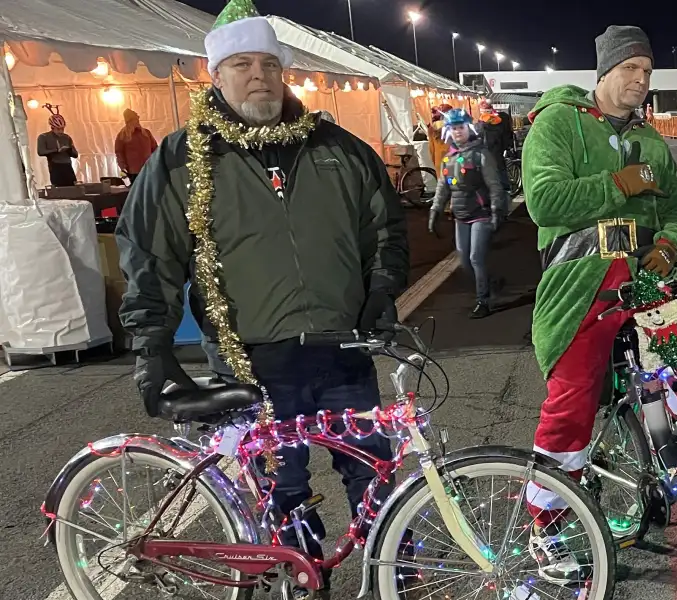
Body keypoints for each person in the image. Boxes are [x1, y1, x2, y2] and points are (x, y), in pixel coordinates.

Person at [115, 1, 408, 596]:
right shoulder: (182, 158)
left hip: (343, 348)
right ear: (215, 75)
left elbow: (385, 231)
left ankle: (395, 577)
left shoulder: (340, 148)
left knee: (376, 474)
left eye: (269, 64)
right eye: (242, 64)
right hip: (253, 357)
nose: (259, 77)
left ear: (284, 72)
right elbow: (150, 256)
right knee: (283, 489)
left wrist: (380, 293)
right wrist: (152, 346)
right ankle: (304, 583)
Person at [520, 24, 677, 550]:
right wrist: (620, 184)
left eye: (646, 71)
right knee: (569, 404)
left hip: (645, 283)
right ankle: (545, 527)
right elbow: (544, 202)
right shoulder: (557, 124)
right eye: (629, 70)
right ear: (604, 73)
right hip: (582, 286)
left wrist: (668, 248)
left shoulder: (651, 139)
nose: (639, 80)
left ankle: (675, 460)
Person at [428, 108, 509, 318]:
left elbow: (494, 184)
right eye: (453, 128)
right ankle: (491, 283)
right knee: (464, 260)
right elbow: (443, 186)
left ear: (469, 128)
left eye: (461, 127)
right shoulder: (449, 157)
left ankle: (483, 300)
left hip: (480, 213)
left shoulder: (481, 154)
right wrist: (435, 210)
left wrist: (496, 211)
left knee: (475, 258)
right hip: (460, 216)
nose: (457, 132)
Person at [476, 99, 515, 188]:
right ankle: (506, 190)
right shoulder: (499, 121)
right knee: (500, 171)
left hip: (487, 153)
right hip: (498, 152)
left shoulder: (481, 125)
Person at [114, 108, 158, 185]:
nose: (137, 122)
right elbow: (119, 153)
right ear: (129, 121)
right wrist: (123, 168)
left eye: (137, 119)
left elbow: (155, 149)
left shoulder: (146, 133)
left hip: (149, 169)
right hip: (134, 172)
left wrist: (156, 163)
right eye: (135, 119)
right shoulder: (122, 135)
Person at [36, 114, 78, 186]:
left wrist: (69, 150)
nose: (61, 131)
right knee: (59, 188)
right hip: (55, 166)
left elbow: (75, 155)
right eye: (58, 129)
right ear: (52, 127)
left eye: (62, 129)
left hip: (67, 166)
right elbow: (40, 152)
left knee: (72, 187)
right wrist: (56, 150)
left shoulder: (66, 137)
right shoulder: (43, 137)